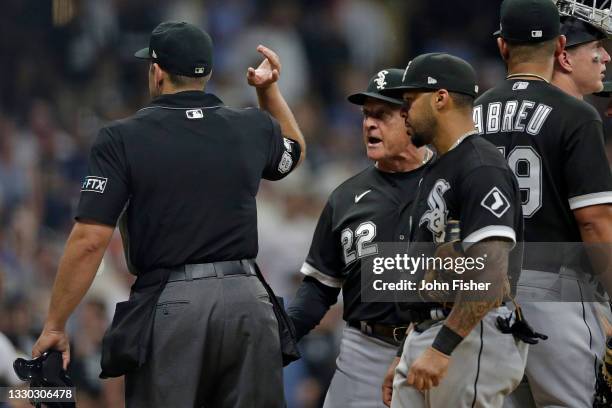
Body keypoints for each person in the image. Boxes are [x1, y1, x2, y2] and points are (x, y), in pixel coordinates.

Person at [30, 21, 305, 408]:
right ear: (207, 73)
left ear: (157, 72)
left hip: (175, 308)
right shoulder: (251, 125)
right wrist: (267, 91)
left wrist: (56, 324)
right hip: (249, 302)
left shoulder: (122, 137)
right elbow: (293, 151)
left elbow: (91, 239)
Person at [474, 0, 612, 406]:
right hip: (559, 288)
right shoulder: (575, 116)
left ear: (504, 47)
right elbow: (596, 223)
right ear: (561, 51)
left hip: (485, 291)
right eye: (596, 49)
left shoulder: (475, 112)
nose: (605, 56)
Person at [381, 52, 528, 408]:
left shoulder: (480, 166)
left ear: (441, 98)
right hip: (433, 331)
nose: (404, 114)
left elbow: (491, 274)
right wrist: (408, 349)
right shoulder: (440, 166)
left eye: (409, 102)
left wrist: (442, 348)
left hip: (468, 336)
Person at [287, 68, 431, 408]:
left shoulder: (452, 182)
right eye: (366, 115)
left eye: (382, 115)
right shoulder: (345, 197)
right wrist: (280, 336)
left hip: (434, 345)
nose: (369, 124)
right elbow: (320, 286)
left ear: (412, 117)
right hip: (364, 350)